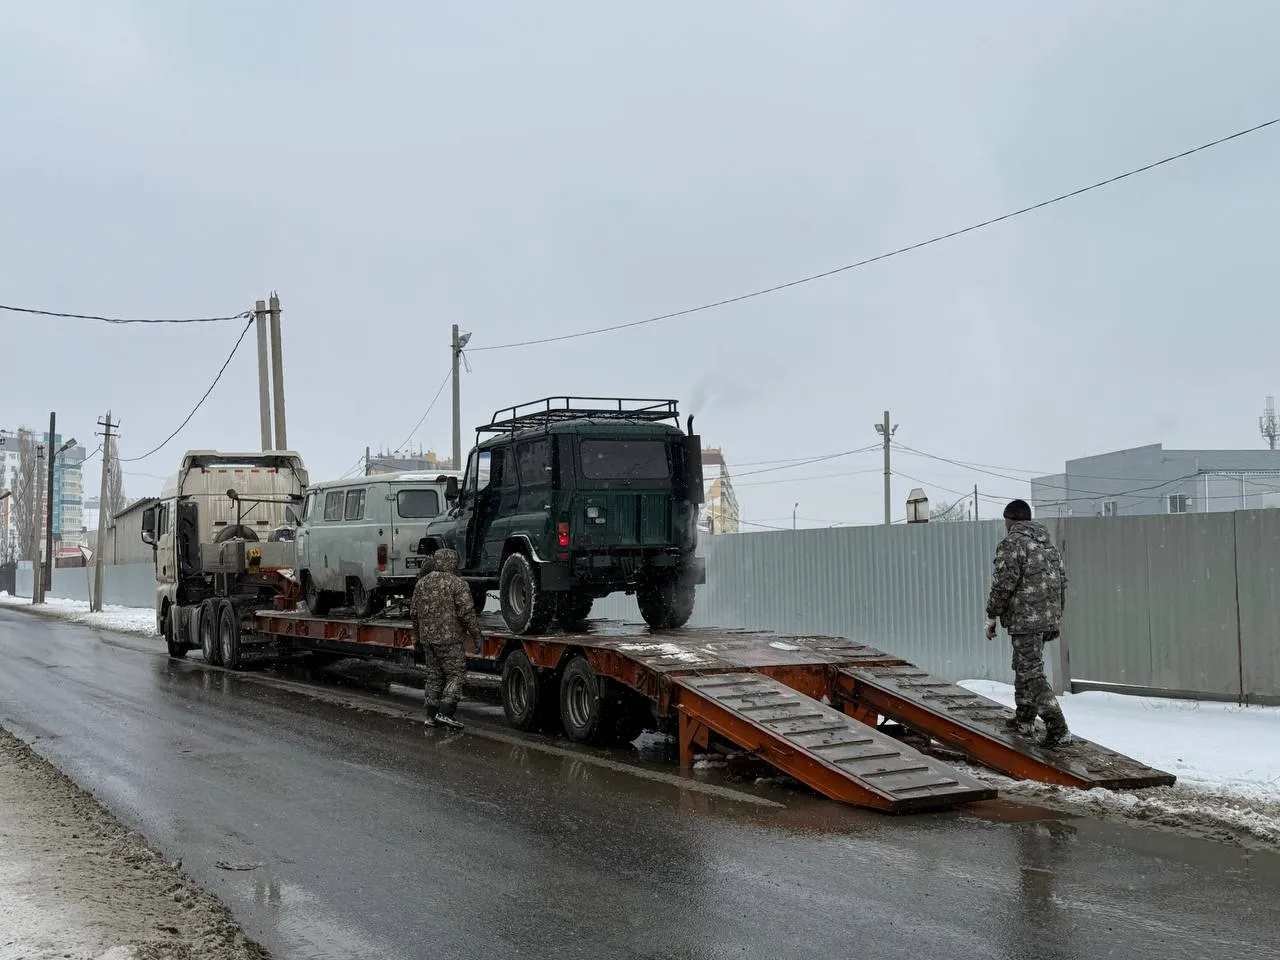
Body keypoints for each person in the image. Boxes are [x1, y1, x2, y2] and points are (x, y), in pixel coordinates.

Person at [985, 499, 1071, 749]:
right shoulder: (1048, 545)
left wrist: (992, 615)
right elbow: (1062, 583)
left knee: (1031, 671)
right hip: (1047, 618)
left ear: (1010, 520)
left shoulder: (1012, 544)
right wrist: (1054, 616)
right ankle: (1024, 718)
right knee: (1025, 665)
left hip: (1026, 619)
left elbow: (1003, 584)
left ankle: (1057, 727)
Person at [410, 548, 480, 729]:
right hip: (449, 639)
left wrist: (416, 638)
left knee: (434, 675)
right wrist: (476, 636)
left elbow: (414, 614)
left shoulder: (421, 583)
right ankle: (446, 712)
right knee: (456, 674)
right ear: (453, 562)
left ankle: (430, 715)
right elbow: (467, 613)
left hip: (428, 639)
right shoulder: (457, 584)